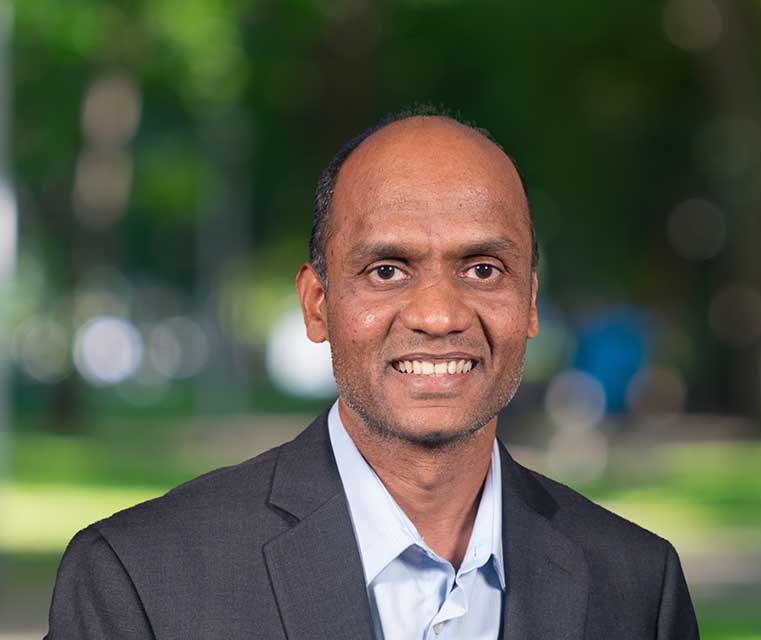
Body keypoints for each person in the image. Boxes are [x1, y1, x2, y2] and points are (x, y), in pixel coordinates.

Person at [46, 106, 700, 639]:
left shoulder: (639, 586)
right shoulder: (139, 583)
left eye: (482, 269)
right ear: (317, 304)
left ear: (528, 302)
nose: (440, 316)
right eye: (387, 270)